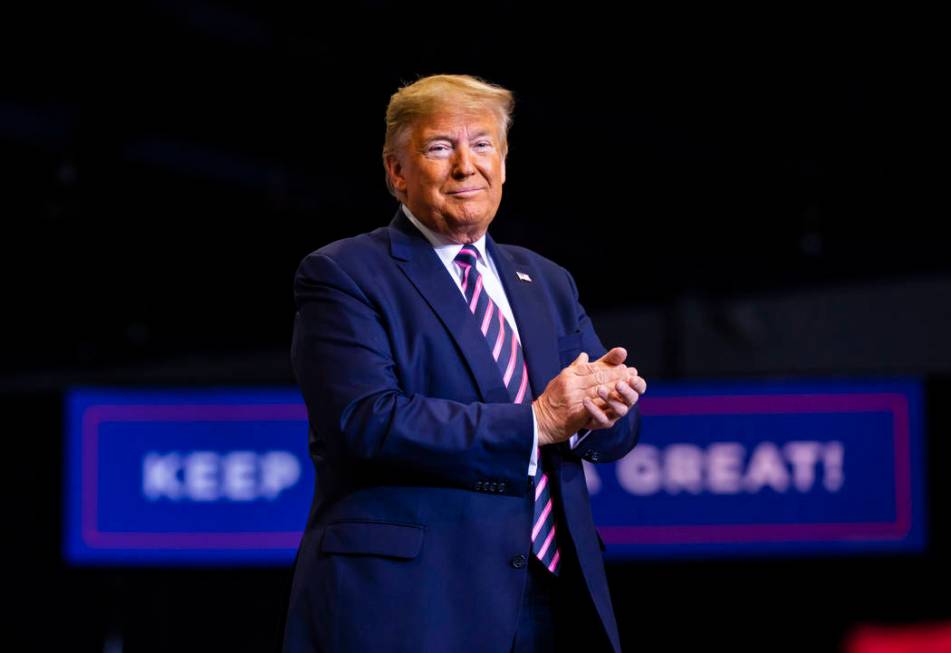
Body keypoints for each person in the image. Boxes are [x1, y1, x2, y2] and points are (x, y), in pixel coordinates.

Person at [282, 74, 646, 653]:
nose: (465, 166)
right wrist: (538, 422)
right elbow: (365, 420)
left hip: (555, 594)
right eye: (438, 147)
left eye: (482, 145)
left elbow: (603, 432)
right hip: (417, 604)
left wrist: (608, 407)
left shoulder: (546, 280)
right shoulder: (344, 274)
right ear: (396, 172)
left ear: (503, 165)